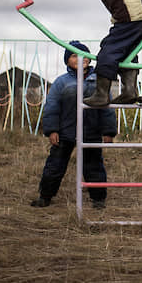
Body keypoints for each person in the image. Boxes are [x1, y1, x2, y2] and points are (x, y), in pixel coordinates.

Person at [30, 41, 116, 209]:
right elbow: (52, 106)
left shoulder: (99, 80)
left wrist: (109, 131)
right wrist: (52, 130)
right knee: (55, 165)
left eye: (84, 55)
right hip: (65, 132)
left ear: (90, 59)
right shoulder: (62, 82)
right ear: (67, 60)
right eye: (75, 55)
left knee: (94, 166)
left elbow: (107, 108)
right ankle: (45, 196)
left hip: (91, 131)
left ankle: (98, 199)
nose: (81, 58)